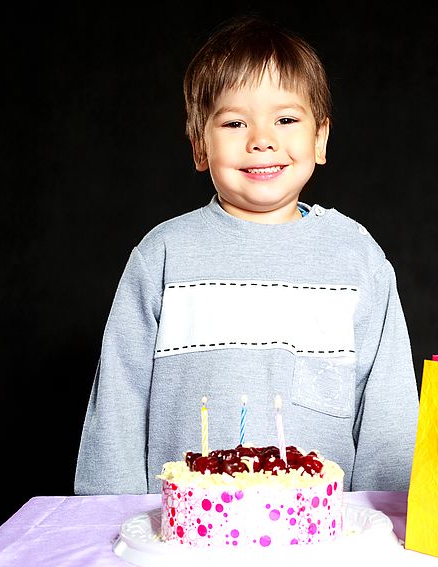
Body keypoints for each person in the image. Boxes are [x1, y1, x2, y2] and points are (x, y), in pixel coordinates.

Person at [74, 15, 419, 495]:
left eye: (285, 119)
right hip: (181, 541)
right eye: (235, 122)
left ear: (319, 138)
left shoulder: (356, 257)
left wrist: (387, 519)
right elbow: (117, 404)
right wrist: (100, 522)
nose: (261, 139)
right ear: (199, 146)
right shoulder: (164, 255)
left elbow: (390, 410)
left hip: (322, 543)